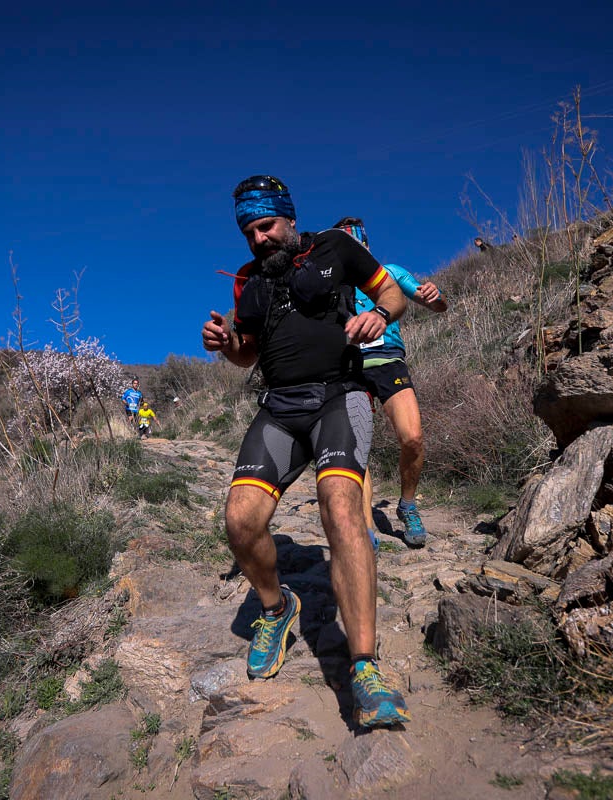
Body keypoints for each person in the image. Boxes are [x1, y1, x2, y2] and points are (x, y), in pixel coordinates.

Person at [201, 175, 411, 729]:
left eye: (266, 226)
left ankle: (363, 666)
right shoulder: (248, 281)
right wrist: (227, 345)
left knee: (340, 508)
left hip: (341, 395)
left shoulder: (337, 248)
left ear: (289, 219)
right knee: (240, 523)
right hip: (279, 407)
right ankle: (277, 607)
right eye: (249, 231)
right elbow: (247, 355)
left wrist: (381, 316)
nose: (259, 239)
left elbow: (392, 292)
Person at [334, 217, 448, 549]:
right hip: (349, 367)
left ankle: (407, 504)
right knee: (357, 449)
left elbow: (435, 306)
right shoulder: (332, 285)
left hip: (388, 361)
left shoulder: (391, 273)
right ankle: (366, 523)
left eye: (356, 244)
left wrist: (435, 296)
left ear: (366, 244)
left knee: (412, 438)